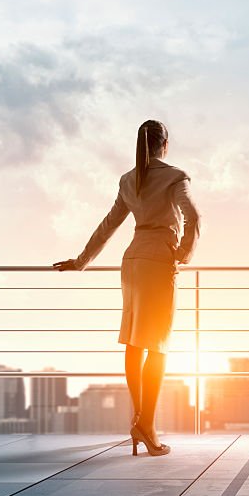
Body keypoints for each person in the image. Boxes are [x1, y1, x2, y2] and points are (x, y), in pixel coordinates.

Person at [53, 119, 200, 457]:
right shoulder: (175, 176)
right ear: (165, 144)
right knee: (159, 346)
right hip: (159, 260)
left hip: (131, 261)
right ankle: (147, 426)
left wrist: (81, 260)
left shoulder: (129, 179)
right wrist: (184, 253)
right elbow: (194, 216)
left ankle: (139, 419)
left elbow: (108, 225)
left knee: (135, 343)